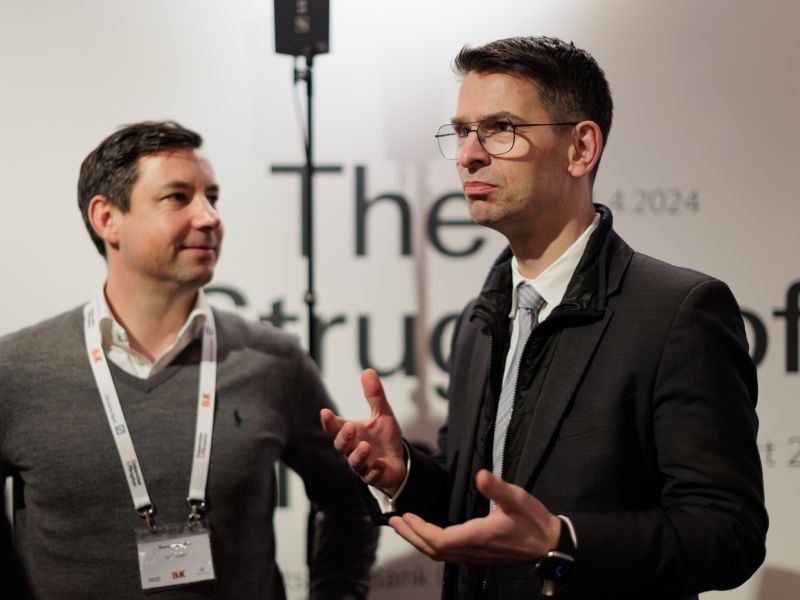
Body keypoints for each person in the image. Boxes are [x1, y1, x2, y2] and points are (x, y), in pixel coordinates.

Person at [321, 36, 767, 599]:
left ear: (581, 148)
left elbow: (728, 534)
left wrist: (562, 540)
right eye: (462, 131)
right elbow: (481, 507)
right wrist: (405, 472)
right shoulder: (481, 319)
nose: (468, 155)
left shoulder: (678, 312)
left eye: (500, 128)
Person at [0, 120, 377, 599]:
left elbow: (350, 503)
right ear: (107, 218)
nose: (209, 217)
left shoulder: (272, 361)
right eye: (178, 197)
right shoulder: (16, 369)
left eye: (212, 198)